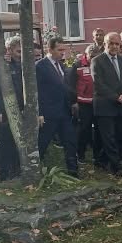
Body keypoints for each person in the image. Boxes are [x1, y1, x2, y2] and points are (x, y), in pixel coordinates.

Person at [35, 36, 80, 175]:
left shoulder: (61, 65)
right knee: (42, 143)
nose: (63, 53)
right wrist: (39, 113)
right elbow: (36, 92)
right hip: (48, 113)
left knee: (70, 141)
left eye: (64, 49)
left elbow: (64, 87)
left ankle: (73, 172)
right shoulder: (40, 66)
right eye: (59, 50)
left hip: (64, 111)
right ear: (50, 49)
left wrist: (72, 102)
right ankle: (33, 172)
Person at [0, 36, 24, 179]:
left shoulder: (21, 65)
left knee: (17, 141)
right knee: (5, 141)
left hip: (20, 109)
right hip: (5, 110)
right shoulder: (1, 66)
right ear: (9, 50)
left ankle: (16, 170)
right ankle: (3, 172)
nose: (21, 55)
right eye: (18, 52)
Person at [92, 32, 122, 176]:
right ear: (105, 44)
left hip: (121, 104)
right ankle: (116, 167)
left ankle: (100, 160)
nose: (114, 46)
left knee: (118, 135)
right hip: (104, 105)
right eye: (111, 43)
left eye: (117, 44)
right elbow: (99, 84)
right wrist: (116, 97)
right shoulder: (97, 61)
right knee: (109, 137)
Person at [69, 42, 97, 163]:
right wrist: (73, 101)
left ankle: (98, 155)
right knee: (84, 129)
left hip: (98, 101)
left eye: (95, 56)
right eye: (91, 56)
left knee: (99, 129)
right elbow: (71, 84)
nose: (93, 58)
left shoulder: (99, 64)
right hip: (83, 102)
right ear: (86, 54)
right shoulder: (78, 65)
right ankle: (80, 154)